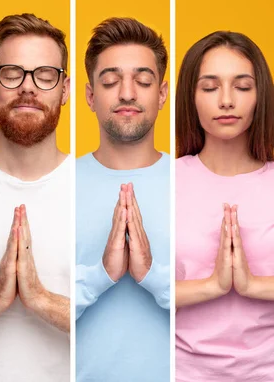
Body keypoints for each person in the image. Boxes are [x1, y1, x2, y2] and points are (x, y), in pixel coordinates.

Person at [0, 13, 71, 382]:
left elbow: (123, 330)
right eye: (12, 73)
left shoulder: (95, 188)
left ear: (65, 89)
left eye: (44, 75)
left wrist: (41, 301)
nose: (28, 87)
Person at [175, 31, 274, 381]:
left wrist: (252, 285)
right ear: (190, 96)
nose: (227, 100)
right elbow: (137, 292)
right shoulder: (163, 182)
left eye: (242, 87)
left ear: (261, 96)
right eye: (210, 87)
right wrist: (214, 285)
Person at [75, 17, 170, 381]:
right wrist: (100, 275)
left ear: (161, 93)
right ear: (89, 95)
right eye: (111, 81)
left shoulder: (191, 183)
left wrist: (153, 276)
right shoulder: (58, 182)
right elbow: (31, 301)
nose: (127, 93)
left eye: (143, 81)